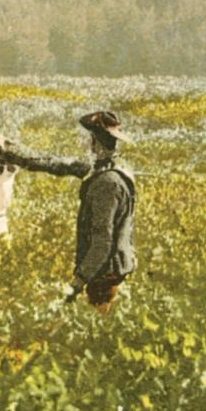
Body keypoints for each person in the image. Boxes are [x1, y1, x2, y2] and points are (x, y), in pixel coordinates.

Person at [66, 112, 137, 314]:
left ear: (95, 143)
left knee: (97, 320)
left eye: (91, 139)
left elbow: (102, 242)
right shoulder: (119, 171)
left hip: (104, 272)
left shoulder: (106, 184)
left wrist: (78, 282)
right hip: (114, 267)